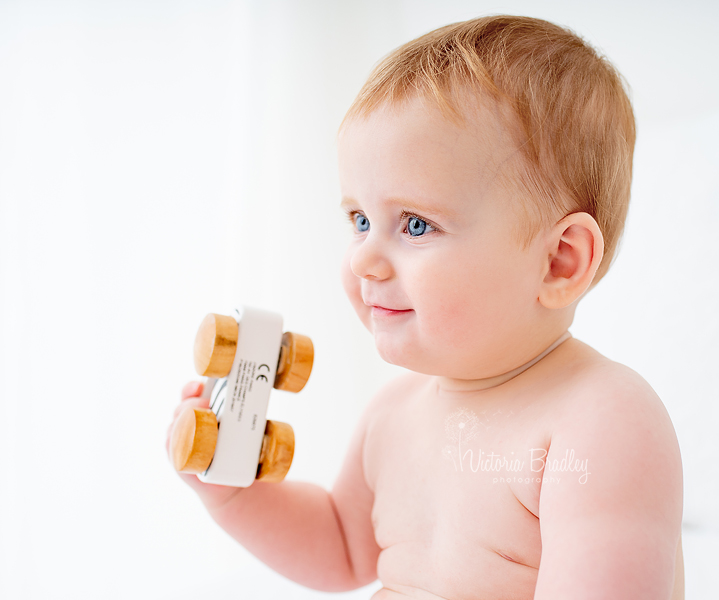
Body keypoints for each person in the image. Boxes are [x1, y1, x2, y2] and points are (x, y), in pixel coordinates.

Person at [168, 14, 684, 599]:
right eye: (360, 220)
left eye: (415, 224)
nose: (365, 258)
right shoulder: (392, 415)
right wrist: (237, 495)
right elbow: (341, 547)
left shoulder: (601, 422)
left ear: (558, 262)